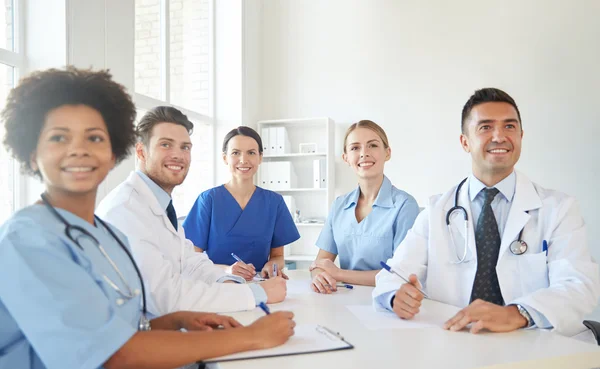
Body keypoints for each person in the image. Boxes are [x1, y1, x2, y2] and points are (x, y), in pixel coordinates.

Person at [0, 67, 294, 369]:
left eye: (95, 138)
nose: (79, 150)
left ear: (114, 153)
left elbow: (119, 320)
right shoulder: (27, 239)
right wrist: (251, 336)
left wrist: (171, 322)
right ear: (32, 153)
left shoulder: (102, 231)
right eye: (59, 137)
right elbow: (111, 355)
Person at [373, 88, 600, 339]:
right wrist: (396, 296)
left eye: (510, 127)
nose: (499, 136)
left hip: (534, 342)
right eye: (485, 127)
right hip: (458, 341)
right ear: (465, 142)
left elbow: (579, 285)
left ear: (521, 136)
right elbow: (392, 274)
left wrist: (518, 313)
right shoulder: (436, 211)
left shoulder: (559, 209)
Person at [97, 107, 287, 314]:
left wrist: (231, 284)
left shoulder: (160, 204)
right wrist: (256, 294)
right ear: (141, 151)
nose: (178, 155)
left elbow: (190, 263)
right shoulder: (125, 210)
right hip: (136, 333)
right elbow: (163, 296)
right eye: (165, 145)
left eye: (185, 147)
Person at [310, 120, 420, 292]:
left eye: (373, 145)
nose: (364, 153)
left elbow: (400, 274)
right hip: (342, 300)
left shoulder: (405, 206)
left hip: (389, 301)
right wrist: (318, 276)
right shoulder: (339, 205)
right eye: (355, 148)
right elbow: (320, 263)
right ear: (345, 157)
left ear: (387, 153)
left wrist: (338, 274)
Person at [182, 126, 300, 281]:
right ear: (225, 158)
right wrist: (227, 270)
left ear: (260, 157)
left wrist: (272, 266)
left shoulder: (274, 202)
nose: (243, 160)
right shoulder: (208, 200)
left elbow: (278, 256)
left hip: (260, 284)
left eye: (251, 153)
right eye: (236, 153)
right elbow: (192, 260)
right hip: (217, 284)